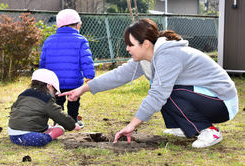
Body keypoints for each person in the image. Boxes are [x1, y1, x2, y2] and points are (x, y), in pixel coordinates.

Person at [59, 18, 239, 148]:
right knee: (164, 89)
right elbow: (118, 75)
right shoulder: (147, 58)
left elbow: (159, 94)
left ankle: (209, 130)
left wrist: (131, 126)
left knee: (164, 91)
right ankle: (184, 127)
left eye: (130, 45)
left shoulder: (168, 55)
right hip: (206, 98)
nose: (127, 49)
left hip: (222, 102)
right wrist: (82, 89)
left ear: (145, 43)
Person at [39, 9, 95, 127]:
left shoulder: (49, 40)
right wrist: (89, 76)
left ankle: (58, 121)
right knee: (73, 100)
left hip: (54, 81)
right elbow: (86, 60)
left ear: (58, 25)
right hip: (73, 81)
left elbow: (43, 61)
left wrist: (42, 78)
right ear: (78, 25)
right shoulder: (81, 40)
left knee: (57, 102)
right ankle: (73, 121)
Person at [8, 69, 81, 147]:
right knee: (41, 140)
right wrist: (72, 124)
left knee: (36, 122)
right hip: (23, 135)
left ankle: (47, 128)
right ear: (50, 86)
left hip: (12, 131)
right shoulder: (47, 99)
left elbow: (14, 108)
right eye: (54, 91)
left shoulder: (24, 93)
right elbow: (58, 114)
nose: (54, 94)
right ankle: (53, 132)